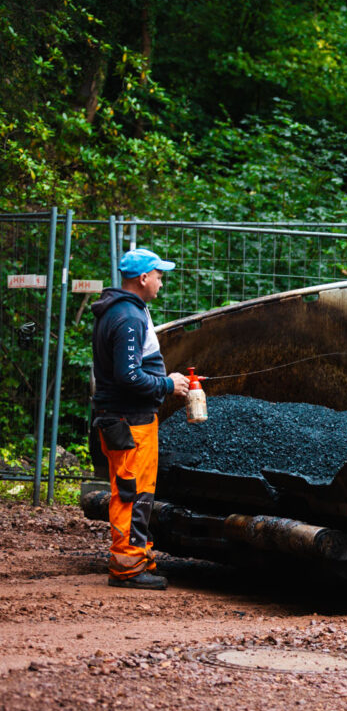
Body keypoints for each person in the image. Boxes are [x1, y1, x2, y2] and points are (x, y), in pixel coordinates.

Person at [90, 247, 189, 590]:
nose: (162, 282)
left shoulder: (121, 310)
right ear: (143, 278)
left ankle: (137, 555)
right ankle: (128, 567)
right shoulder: (128, 317)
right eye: (159, 276)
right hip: (127, 420)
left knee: (137, 491)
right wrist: (167, 384)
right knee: (131, 493)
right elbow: (128, 377)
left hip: (127, 418)